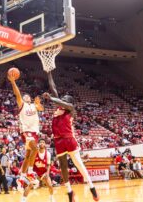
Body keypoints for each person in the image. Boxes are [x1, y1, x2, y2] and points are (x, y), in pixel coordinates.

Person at [43, 71, 99, 202]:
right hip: (58, 140)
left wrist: (50, 98)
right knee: (63, 167)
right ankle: (69, 192)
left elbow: (58, 100)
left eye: (64, 99)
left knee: (78, 163)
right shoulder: (59, 107)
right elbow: (53, 88)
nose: (62, 100)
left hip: (68, 138)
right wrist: (49, 74)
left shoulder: (71, 108)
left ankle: (92, 188)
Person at [8, 70, 44, 181]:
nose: (27, 97)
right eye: (25, 96)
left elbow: (41, 109)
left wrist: (39, 104)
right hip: (26, 131)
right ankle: (30, 171)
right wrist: (13, 82)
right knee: (35, 148)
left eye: (28, 96)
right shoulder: (22, 104)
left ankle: (22, 176)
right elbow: (17, 94)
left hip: (35, 132)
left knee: (28, 155)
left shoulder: (34, 105)